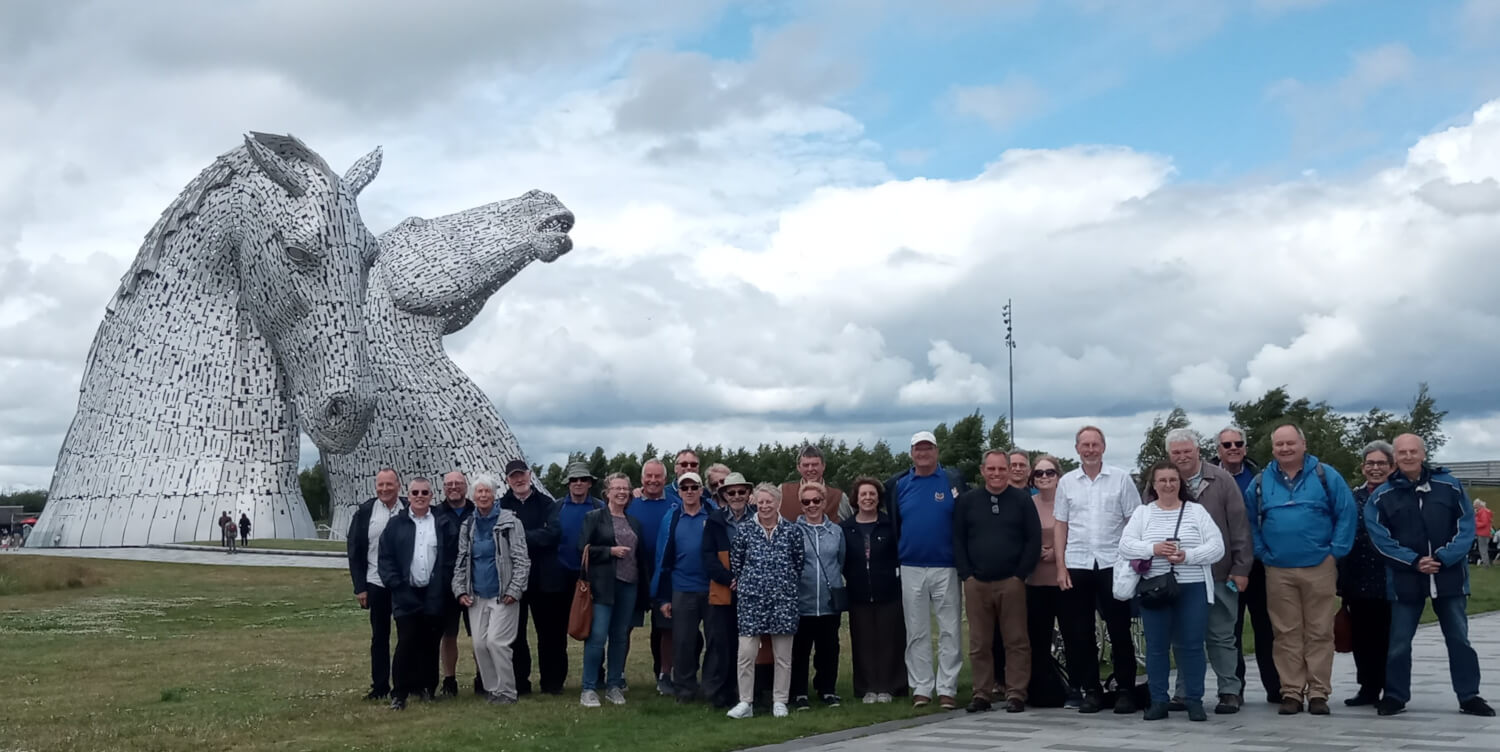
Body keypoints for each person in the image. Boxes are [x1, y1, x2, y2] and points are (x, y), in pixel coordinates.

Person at [1366, 434, 1495, 717]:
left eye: (1414, 451)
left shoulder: (1449, 486)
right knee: (1399, 641)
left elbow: (1465, 526)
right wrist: (1413, 561)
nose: (1408, 457)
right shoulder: (1381, 496)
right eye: (1402, 453)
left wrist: (1443, 557)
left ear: (1424, 454)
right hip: (1406, 579)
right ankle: (1396, 695)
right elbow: (1380, 538)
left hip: (1449, 577)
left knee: (1459, 639)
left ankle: (1469, 695)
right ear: (1394, 458)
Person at [1243, 423, 1356, 716]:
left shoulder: (1326, 476)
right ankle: (1291, 692)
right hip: (1277, 570)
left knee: (1319, 631)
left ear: (1303, 444)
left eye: (1290, 443)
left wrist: (1335, 553)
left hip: (1320, 566)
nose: (1285, 449)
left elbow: (1346, 513)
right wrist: (1262, 553)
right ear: (1272, 448)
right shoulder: (1259, 483)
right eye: (1279, 444)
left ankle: (1318, 693)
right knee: (1285, 633)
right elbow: (1249, 524)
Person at [1119, 462, 1226, 722]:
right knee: (1156, 647)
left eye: (1173, 480)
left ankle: (1194, 700)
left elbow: (1217, 547)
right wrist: (1153, 549)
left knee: (1191, 645)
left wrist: (1188, 556)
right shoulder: (1143, 514)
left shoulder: (1196, 512)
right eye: (1162, 480)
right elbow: (1125, 545)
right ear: (1153, 485)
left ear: (1180, 483)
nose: (1168, 485)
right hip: (1155, 588)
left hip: (1192, 587)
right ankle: (1158, 700)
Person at [1053, 425, 1142, 714]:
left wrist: (1130, 563)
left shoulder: (1121, 479)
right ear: (1076, 448)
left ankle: (1126, 689)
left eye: (1095, 444)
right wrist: (1060, 566)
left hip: (1112, 563)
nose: (1090, 450)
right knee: (1081, 632)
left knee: (1118, 630)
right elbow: (1061, 525)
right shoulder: (1067, 482)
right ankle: (1091, 689)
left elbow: (1133, 521)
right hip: (1077, 563)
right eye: (1085, 445)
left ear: (1103, 447)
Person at [1165, 428, 1252, 715]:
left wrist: (1241, 567)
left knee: (1221, 635)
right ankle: (1183, 691)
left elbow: (1239, 527)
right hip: (1177, 575)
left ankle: (1229, 690)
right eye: (1176, 452)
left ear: (1198, 450)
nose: (1182, 457)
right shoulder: (1163, 481)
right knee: (1184, 636)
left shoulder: (1222, 479)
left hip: (1218, 571)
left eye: (1187, 450)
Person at [886, 430, 970, 709]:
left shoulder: (951, 480)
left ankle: (947, 687)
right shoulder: (899, 484)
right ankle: (922, 686)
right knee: (917, 630)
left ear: (936, 451)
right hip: (910, 565)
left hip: (945, 565)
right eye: (918, 449)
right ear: (911, 453)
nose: (923, 453)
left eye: (928, 448)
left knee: (950, 628)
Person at [955, 449, 1041, 714]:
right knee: (979, 642)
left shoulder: (1022, 501)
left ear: (1009, 471)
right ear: (982, 471)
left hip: (1011, 581)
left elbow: (1033, 539)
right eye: (991, 469)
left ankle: (1016, 693)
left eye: (1001, 469)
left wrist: (1020, 574)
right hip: (976, 582)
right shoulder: (968, 502)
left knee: (1016, 640)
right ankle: (982, 693)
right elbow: (958, 540)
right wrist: (966, 574)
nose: (996, 474)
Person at [378, 477, 459, 710]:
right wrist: (397, 586)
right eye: (415, 493)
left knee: (430, 643)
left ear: (431, 496)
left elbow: (451, 559)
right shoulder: (396, 524)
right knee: (406, 642)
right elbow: (386, 559)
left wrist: (442, 586)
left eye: (425, 492)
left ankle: (427, 688)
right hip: (406, 593)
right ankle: (400, 693)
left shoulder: (442, 523)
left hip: (434, 593)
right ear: (408, 495)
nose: (420, 496)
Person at [726, 483, 804, 719]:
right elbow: (737, 563)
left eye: (769, 501)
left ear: (778, 503)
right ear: (755, 503)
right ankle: (745, 702)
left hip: (783, 601)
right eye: (760, 502)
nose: (765, 506)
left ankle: (780, 700)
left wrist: (782, 582)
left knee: (783, 655)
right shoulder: (745, 531)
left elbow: (798, 563)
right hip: (751, 602)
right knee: (746, 653)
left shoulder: (792, 531)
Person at [1214, 425, 1279, 706]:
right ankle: (1234, 688)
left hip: (1259, 563)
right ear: (1218, 450)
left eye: (1238, 443)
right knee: (1231, 629)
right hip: (1226, 566)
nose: (1233, 448)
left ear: (1245, 447)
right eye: (1226, 445)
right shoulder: (1210, 479)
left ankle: (1276, 687)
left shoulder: (1261, 478)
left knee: (1267, 628)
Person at [451, 473, 529, 706]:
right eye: (479, 492)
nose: (483, 495)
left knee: (497, 642)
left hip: (503, 593)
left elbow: (522, 559)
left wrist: (515, 589)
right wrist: (460, 590)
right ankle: (493, 689)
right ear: (473, 496)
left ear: (495, 495)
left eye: (487, 491)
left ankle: (507, 691)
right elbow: (462, 559)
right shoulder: (469, 524)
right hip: (477, 594)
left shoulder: (510, 522)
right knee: (479, 644)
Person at [578, 472, 654, 708]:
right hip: (603, 586)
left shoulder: (633, 523)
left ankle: (613, 685)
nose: (622, 492)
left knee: (620, 637)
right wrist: (609, 552)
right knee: (598, 636)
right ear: (607, 492)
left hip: (629, 586)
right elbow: (583, 548)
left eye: (626, 488)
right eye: (617, 488)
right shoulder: (594, 517)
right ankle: (589, 688)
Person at [1338, 441, 1395, 707]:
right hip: (1357, 576)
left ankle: (1391, 688)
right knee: (1361, 636)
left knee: (1388, 636)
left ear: (1392, 466)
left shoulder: (1400, 495)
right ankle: (1368, 687)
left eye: (1381, 463)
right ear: (1363, 468)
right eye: (1370, 463)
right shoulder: (1353, 497)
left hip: (1391, 578)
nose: (1375, 468)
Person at [499, 458, 563, 696]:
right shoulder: (501, 506)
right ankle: (520, 683)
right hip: (514, 580)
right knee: (515, 635)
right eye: (513, 476)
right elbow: (500, 538)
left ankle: (552, 683)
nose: (518, 479)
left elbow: (553, 534)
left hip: (544, 579)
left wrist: (518, 537)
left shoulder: (548, 503)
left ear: (530, 474)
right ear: (507, 480)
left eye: (521, 474)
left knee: (550, 635)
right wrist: (536, 536)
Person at [841, 476, 904, 704]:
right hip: (858, 593)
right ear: (856, 499)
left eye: (872, 494)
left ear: (879, 499)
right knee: (863, 642)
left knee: (889, 640)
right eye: (863, 494)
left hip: (888, 592)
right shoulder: (845, 528)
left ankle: (889, 686)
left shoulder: (890, 525)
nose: (867, 498)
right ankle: (867, 688)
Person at [651, 470, 714, 702]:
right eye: (684, 488)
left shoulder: (713, 514)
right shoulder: (671, 518)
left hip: (712, 589)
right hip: (681, 588)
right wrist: (664, 597)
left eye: (693, 487)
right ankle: (685, 690)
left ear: (701, 490)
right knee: (683, 643)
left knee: (715, 642)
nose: (689, 492)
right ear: (678, 492)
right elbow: (663, 559)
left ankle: (711, 688)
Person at [346, 468, 406, 701]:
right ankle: (380, 685)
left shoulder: (409, 508)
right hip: (375, 582)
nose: (384, 489)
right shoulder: (365, 511)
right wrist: (360, 586)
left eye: (389, 484)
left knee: (407, 636)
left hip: (403, 584)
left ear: (398, 486)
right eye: (380, 485)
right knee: (379, 637)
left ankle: (406, 683)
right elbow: (355, 550)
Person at [702, 472, 756, 709]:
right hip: (724, 589)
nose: (736, 496)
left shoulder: (759, 518)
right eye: (731, 492)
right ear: (724, 494)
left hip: (754, 590)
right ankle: (720, 692)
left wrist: (747, 579)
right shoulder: (715, 520)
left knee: (751, 644)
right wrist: (729, 579)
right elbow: (707, 556)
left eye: (741, 492)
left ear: (748, 494)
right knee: (722, 642)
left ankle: (749, 692)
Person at [791, 481, 845, 710]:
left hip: (828, 602)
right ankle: (799, 692)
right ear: (801, 505)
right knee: (800, 650)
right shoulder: (793, 530)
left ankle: (827, 690)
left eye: (816, 500)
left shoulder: (837, 531)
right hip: (802, 602)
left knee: (829, 648)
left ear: (824, 502)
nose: (811, 505)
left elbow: (840, 561)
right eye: (806, 501)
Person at [1023, 456, 1071, 707]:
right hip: (1035, 582)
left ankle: (1078, 687)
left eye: (1049, 472)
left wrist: (1057, 553)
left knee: (1073, 637)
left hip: (1064, 581)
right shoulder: (1027, 504)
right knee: (1037, 640)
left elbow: (1080, 535)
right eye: (1039, 474)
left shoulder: (1069, 504)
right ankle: (1042, 690)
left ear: (1058, 476)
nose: (1044, 477)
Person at [553, 462, 605, 690]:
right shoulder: (556, 508)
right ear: (568, 483)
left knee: (594, 630)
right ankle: (556, 680)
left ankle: (597, 677)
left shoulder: (600, 507)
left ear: (590, 483)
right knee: (558, 631)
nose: (578, 483)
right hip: (562, 575)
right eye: (574, 480)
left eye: (583, 479)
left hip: (593, 575)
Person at [630, 459, 678, 695]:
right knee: (624, 627)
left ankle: (664, 674)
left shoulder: (675, 505)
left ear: (665, 479)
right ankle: (616, 676)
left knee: (665, 628)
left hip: (664, 575)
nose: (653, 480)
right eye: (648, 476)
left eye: (657, 476)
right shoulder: (631, 503)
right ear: (641, 479)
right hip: (635, 573)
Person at [435, 470, 476, 697]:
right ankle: (449, 680)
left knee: (478, 635)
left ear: (465, 487)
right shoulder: (436, 513)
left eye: (457, 483)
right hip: (446, 583)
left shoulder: (477, 510)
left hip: (475, 582)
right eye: (449, 484)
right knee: (448, 635)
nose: (453, 487)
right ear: (443, 488)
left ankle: (483, 677)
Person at [781, 445, 850, 522]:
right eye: (806, 465)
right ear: (798, 468)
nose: (810, 469)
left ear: (823, 466)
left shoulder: (839, 497)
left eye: (815, 465)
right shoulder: (783, 492)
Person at [1475, 499, 1493, 568]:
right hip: (1485, 533)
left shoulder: (1483, 512)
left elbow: (1484, 523)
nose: (1475, 507)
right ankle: (1486, 563)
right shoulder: (1485, 512)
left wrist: (1475, 523)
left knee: (1483, 549)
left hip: (1482, 533)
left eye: (1476, 505)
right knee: (1484, 549)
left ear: (1479, 505)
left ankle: (1486, 565)